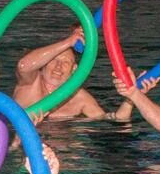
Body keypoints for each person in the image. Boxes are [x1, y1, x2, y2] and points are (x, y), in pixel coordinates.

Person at [13, 27, 143, 121]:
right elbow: (23, 66)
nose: (58, 67)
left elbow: (114, 121)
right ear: (45, 62)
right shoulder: (30, 83)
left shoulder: (80, 98)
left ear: (74, 69)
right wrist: (68, 42)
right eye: (54, 60)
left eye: (65, 63)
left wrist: (131, 97)